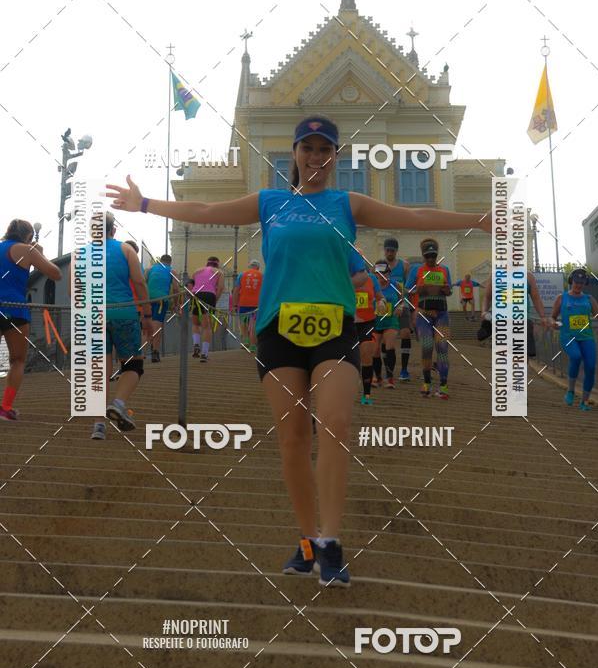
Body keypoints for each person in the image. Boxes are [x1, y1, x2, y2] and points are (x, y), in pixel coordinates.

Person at [107, 114, 491, 585]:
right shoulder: (270, 202)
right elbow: (207, 210)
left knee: (335, 423)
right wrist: (143, 203)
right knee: (293, 439)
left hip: (334, 328)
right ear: (294, 154)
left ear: (334, 157)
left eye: (324, 149)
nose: (315, 156)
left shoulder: (347, 203)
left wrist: (478, 220)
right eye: (307, 148)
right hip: (278, 330)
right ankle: (307, 540)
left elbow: (412, 216)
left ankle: (330, 541)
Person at [68, 212, 153, 438]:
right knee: (134, 365)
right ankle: (118, 403)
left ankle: (99, 426)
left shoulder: (78, 254)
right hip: (123, 312)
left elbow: (72, 292)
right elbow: (139, 281)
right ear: (112, 229)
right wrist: (147, 314)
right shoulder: (125, 249)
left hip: (92, 316)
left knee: (100, 372)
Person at [0, 220, 61, 421]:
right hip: (16, 310)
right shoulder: (27, 250)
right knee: (17, 360)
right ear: (28, 235)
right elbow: (56, 273)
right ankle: (5, 407)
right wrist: (39, 253)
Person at [405, 239, 453, 399]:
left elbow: (449, 291)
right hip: (423, 314)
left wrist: (446, 289)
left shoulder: (444, 269)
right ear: (423, 256)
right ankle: (427, 382)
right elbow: (407, 289)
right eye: (428, 256)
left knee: (443, 347)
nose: (431, 259)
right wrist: (418, 289)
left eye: (433, 256)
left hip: (441, 314)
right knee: (426, 347)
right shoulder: (416, 270)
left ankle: (444, 385)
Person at [550, 268, 598, 411]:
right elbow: (553, 317)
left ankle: (584, 401)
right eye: (576, 282)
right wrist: (554, 323)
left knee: (590, 367)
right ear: (571, 281)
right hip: (568, 337)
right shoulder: (562, 298)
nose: (578, 285)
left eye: (581, 283)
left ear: (585, 283)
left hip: (587, 337)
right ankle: (570, 390)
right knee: (576, 357)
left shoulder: (589, 299)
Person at [481, 271, 547, 359]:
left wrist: (542, 317)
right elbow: (487, 297)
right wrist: (484, 311)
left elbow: (536, 298)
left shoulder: (528, 276)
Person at [352, 260, 385, 405]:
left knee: (366, 354)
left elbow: (380, 296)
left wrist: (381, 302)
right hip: (347, 323)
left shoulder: (371, 279)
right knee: (349, 359)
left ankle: (366, 394)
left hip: (367, 322)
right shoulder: (342, 276)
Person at [382, 237, 412, 380]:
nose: (389, 253)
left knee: (405, 333)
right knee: (384, 338)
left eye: (392, 250)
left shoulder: (404, 265)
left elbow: (408, 286)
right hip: (384, 305)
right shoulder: (379, 266)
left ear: (396, 251)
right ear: (384, 250)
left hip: (402, 304)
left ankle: (404, 370)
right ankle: (387, 370)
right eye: (387, 250)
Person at [372, 260, 404, 388]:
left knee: (390, 346)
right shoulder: (372, 286)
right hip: (376, 320)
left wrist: (400, 307)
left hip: (391, 320)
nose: (381, 276)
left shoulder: (396, 285)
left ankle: (389, 379)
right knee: (375, 351)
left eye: (384, 273)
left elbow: (403, 300)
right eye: (379, 273)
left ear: (388, 273)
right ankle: (378, 377)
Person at [188, 257, 224, 361]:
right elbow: (220, 288)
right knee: (207, 326)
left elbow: (190, 284)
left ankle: (196, 344)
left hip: (196, 294)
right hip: (209, 295)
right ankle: (204, 353)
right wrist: (215, 300)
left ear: (206, 264)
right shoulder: (219, 272)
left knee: (195, 323)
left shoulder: (196, 271)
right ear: (217, 264)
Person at [145, 254, 178, 362]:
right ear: (170, 262)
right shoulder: (172, 271)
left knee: (146, 326)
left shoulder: (150, 269)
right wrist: (175, 304)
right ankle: (155, 352)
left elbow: (143, 283)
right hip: (161, 300)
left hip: (147, 300)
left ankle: (141, 353)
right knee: (157, 326)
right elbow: (176, 289)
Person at [232, 260, 262, 351]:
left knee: (243, 323)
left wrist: (234, 305)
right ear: (258, 267)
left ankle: (245, 341)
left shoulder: (242, 275)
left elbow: (236, 290)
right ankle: (253, 345)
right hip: (257, 304)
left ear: (249, 267)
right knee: (253, 324)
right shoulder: (262, 275)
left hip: (243, 303)